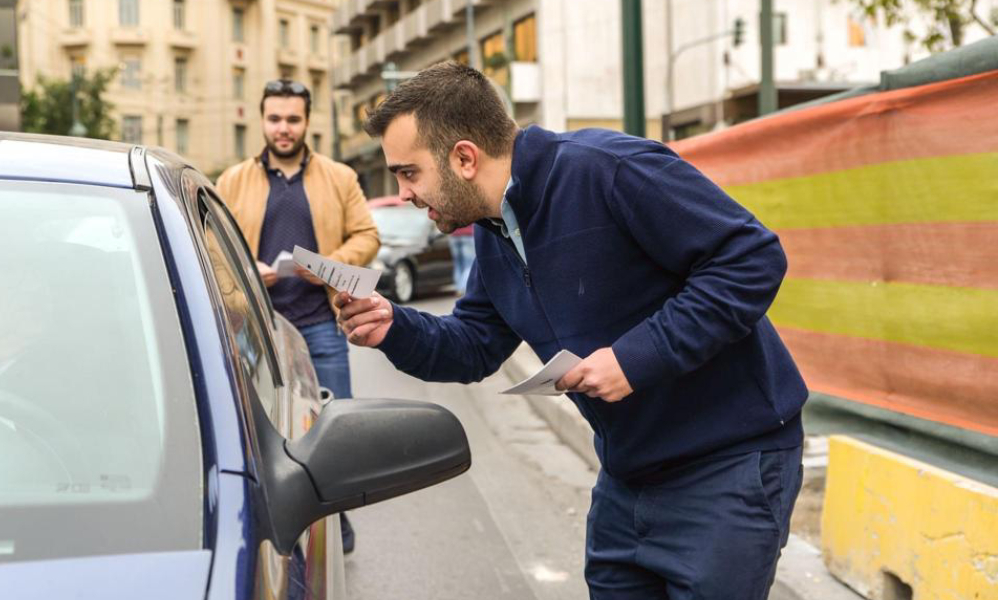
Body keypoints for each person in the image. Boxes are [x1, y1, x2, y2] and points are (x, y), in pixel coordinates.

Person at [335, 62, 808, 599]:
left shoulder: (608, 169)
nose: (403, 193)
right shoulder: (496, 232)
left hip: (729, 468)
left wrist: (636, 358)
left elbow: (750, 259)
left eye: (409, 172)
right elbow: (473, 345)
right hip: (627, 478)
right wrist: (393, 325)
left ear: (464, 157)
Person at [216, 79, 379, 553]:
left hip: (319, 325)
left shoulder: (340, 177)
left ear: (307, 121)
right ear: (260, 120)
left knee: (335, 433)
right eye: (274, 119)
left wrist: (324, 267)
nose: (283, 129)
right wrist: (247, 271)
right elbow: (213, 247)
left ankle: (337, 524)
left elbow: (367, 236)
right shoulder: (232, 180)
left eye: (292, 119)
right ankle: (271, 528)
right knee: (260, 432)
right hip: (254, 327)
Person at [448, 224, 476, 295]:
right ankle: (464, 288)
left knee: (458, 265)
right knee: (469, 264)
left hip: (454, 236)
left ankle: (458, 288)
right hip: (468, 235)